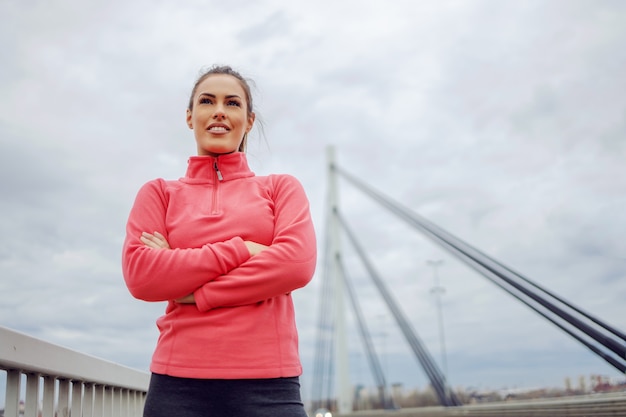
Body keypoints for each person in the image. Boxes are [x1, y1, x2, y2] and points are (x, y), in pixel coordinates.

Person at [122, 65, 317, 417]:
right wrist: (241, 249)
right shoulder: (159, 194)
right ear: (189, 116)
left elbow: (296, 264)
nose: (219, 112)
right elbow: (142, 276)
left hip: (270, 385)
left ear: (249, 119)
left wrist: (195, 292)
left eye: (232, 103)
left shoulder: (280, 188)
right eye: (207, 101)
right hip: (176, 383)